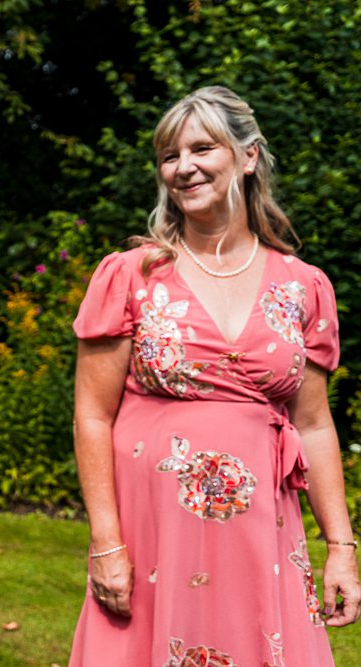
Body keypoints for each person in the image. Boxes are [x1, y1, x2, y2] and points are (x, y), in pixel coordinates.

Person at [68, 85, 360, 666]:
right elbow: (92, 415)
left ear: (248, 155)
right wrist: (106, 542)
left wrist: (342, 548)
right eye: (170, 155)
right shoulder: (131, 275)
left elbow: (316, 425)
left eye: (203, 148)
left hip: (264, 535)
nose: (184, 167)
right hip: (155, 536)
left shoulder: (303, 285)